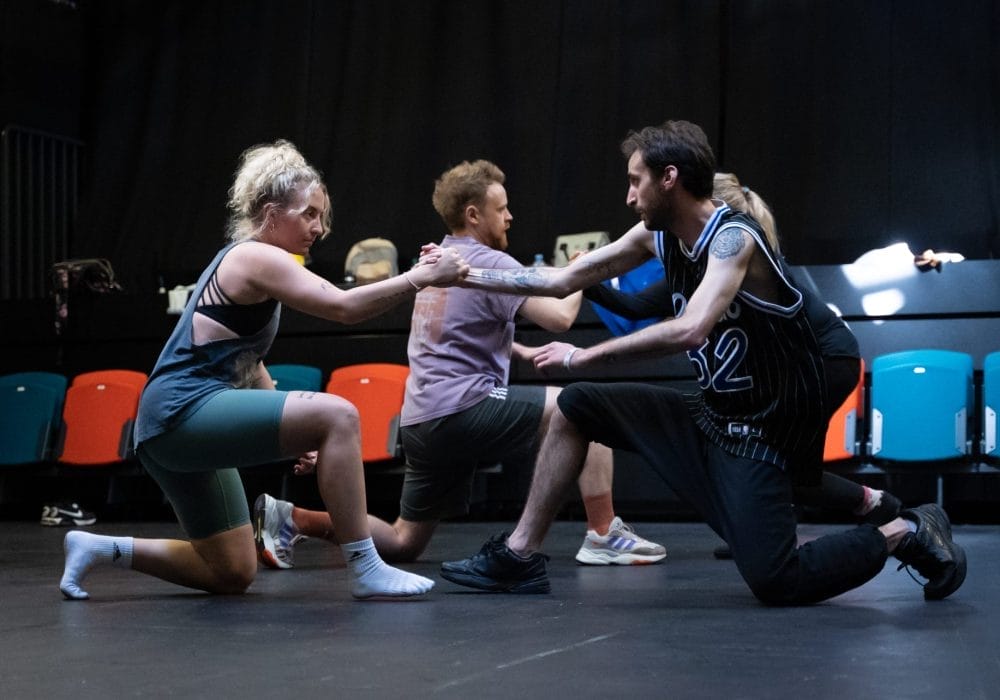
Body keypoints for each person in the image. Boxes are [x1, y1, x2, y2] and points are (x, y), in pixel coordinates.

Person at [439, 120, 966, 603]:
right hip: (715, 414)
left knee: (775, 578)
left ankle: (906, 531)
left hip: (765, 424)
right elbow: (560, 279)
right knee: (577, 407)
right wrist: (464, 274)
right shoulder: (656, 236)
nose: (628, 197)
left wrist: (584, 354)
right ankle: (519, 554)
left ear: (669, 178)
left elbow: (691, 327)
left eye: (635, 181)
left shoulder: (735, 238)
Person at [58, 139, 468, 601]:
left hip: (169, 430)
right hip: (180, 413)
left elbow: (249, 363)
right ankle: (367, 567)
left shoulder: (255, 263)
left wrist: (298, 435)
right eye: (309, 214)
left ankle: (97, 547)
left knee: (231, 571)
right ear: (272, 214)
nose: (320, 227)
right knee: (339, 414)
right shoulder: (255, 256)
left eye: (322, 216)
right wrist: (422, 276)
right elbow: (343, 307)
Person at [253, 159, 664, 575]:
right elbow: (559, 318)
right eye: (501, 208)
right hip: (461, 408)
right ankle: (603, 533)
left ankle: (294, 519)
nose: (510, 216)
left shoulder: (440, 260)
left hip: (421, 421)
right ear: (473, 214)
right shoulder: (490, 262)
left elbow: (455, 331)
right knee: (581, 408)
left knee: (404, 541)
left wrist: (515, 350)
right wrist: (582, 271)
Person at [582, 172, 901, 560]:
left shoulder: (745, 255)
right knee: (762, 460)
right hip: (790, 371)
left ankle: (873, 508)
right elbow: (636, 307)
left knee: (765, 459)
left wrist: (585, 349)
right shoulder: (700, 267)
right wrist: (588, 277)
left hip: (823, 363)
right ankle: (840, 513)